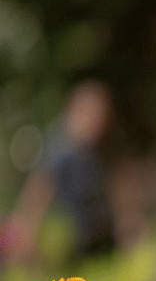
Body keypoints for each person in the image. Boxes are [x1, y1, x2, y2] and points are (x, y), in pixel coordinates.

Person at [4, 80, 133, 264]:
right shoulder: (58, 147)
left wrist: (128, 225)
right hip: (72, 237)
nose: (96, 124)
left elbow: (121, 186)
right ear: (73, 112)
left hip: (102, 235)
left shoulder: (104, 147)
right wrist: (28, 231)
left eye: (101, 117)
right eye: (91, 116)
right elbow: (39, 190)